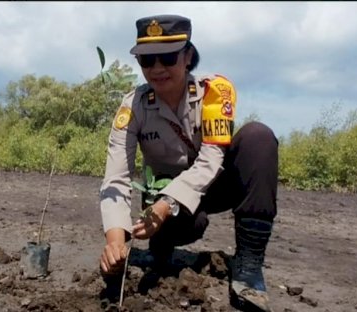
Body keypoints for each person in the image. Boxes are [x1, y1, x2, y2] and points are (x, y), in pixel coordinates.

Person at [98, 14, 279, 312]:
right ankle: (161, 247)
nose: (157, 68)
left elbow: (212, 158)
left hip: (209, 187)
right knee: (180, 232)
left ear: (188, 57)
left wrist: (167, 203)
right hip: (164, 201)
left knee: (258, 138)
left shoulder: (214, 94)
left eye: (168, 57)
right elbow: (116, 178)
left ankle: (249, 269)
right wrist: (116, 242)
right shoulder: (133, 108)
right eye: (146, 60)